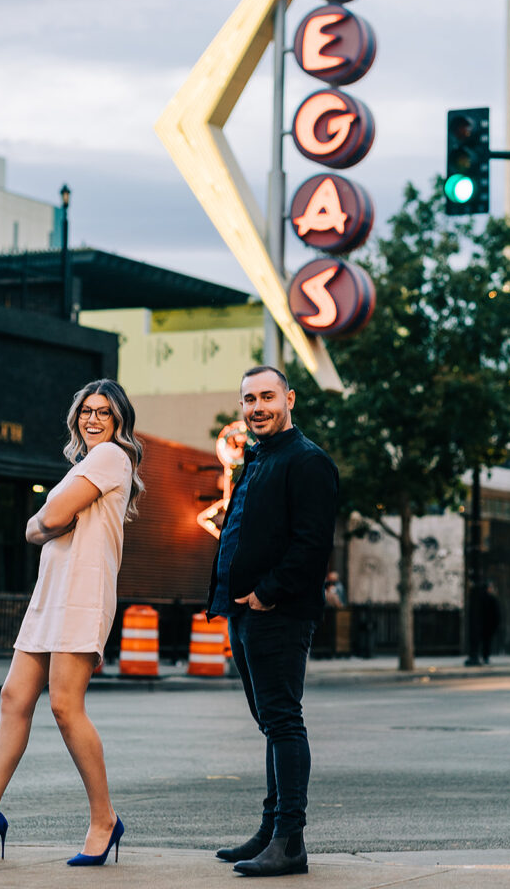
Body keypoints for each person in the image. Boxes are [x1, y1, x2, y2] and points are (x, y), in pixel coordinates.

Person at [0, 379, 143, 866]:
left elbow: (48, 515)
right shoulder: (83, 464)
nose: (93, 419)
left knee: (65, 707)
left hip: (82, 595)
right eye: (86, 411)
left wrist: (49, 519)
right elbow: (35, 526)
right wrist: (49, 520)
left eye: (104, 412)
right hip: (50, 593)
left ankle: (105, 820)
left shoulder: (112, 457)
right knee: (13, 698)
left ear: (119, 422)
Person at [208, 366, 338, 877]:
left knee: (283, 720)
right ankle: (269, 832)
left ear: (289, 398)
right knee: (271, 724)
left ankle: (290, 841)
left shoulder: (307, 461)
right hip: (242, 611)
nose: (256, 406)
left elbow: (312, 545)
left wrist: (265, 594)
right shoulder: (256, 460)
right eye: (248, 399)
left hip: (277, 612)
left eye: (266, 396)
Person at [480, 581, 501, 663]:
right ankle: (485, 657)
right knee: (487, 642)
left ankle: (484, 656)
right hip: (488, 624)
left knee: (486, 642)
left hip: (486, 624)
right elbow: (496, 613)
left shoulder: (484, 599)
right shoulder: (491, 599)